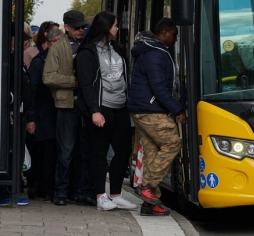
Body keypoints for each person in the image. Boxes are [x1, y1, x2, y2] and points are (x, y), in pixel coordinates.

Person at [75, 11, 138, 211]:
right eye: (115, 25)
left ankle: (116, 194)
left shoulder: (117, 49)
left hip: (121, 107)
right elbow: (85, 85)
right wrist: (94, 110)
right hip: (102, 108)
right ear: (105, 27)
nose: (117, 29)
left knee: (122, 151)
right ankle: (100, 195)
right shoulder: (87, 52)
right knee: (99, 152)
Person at [129, 18, 186, 217]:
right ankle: (147, 187)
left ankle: (149, 205)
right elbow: (159, 88)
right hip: (150, 110)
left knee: (153, 152)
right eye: (174, 34)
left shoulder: (149, 51)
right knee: (172, 143)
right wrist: (178, 110)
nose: (175, 39)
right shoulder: (156, 54)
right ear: (164, 33)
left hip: (142, 109)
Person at [43, 9, 94, 206]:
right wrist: (73, 82)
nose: (81, 30)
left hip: (85, 104)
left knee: (84, 150)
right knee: (66, 151)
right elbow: (48, 77)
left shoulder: (86, 45)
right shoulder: (58, 48)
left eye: (83, 26)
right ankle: (61, 191)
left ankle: (79, 190)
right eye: (77, 27)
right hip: (67, 105)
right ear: (67, 27)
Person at [0, 23, 32, 206]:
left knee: (14, 154)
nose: (24, 44)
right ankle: (2, 194)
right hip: (10, 114)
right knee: (7, 155)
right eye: (20, 40)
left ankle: (8, 191)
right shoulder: (6, 60)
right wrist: (8, 108)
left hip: (17, 112)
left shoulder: (16, 59)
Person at [27, 28, 64, 202]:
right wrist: (31, 117)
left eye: (60, 41)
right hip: (44, 112)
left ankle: (54, 188)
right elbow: (32, 91)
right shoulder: (39, 62)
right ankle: (45, 188)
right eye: (54, 41)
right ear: (48, 43)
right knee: (46, 152)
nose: (57, 44)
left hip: (61, 112)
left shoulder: (66, 61)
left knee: (59, 152)